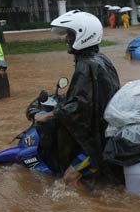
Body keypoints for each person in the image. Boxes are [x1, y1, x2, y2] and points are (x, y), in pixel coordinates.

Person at [33, 11, 121, 190]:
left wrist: (47, 115)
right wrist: (65, 98)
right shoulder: (99, 59)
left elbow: (78, 106)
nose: (66, 39)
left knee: (69, 178)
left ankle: (97, 210)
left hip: (96, 142)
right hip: (106, 130)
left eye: (70, 35)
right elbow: (87, 96)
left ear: (83, 34)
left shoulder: (86, 65)